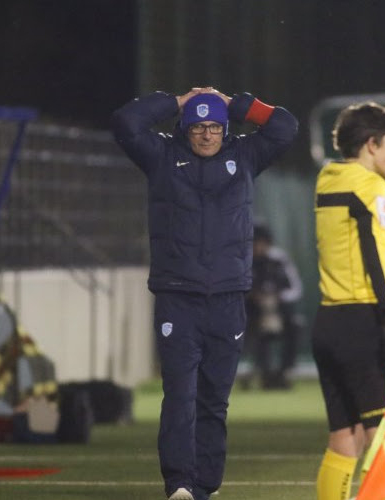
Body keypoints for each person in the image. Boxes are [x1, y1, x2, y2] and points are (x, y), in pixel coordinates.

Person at [112, 87, 297, 500]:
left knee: (215, 399)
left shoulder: (246, 155)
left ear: (225, 128)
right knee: (180, 394)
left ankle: (206, 486)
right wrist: (177, 100)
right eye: (198, 126)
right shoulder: (161, 157)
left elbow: (285, 126)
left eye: (215, 126)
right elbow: (125, 122)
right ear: (185, 128)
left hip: (229, 300)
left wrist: (236, 103)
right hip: (177, 298)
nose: (208, 135)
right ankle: (179, 483)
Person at [311, 102, 385, 500]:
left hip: (329, 323)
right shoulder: (373, 188)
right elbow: (378, 256)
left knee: (344, 440)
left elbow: (366, 211)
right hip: (365, 322)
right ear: (370, 144)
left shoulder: (328, 178)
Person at [244, 223, 303, 389]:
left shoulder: (279, 259)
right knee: (255, 327)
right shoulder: (244, 260)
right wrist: (253, 297)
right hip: (252, 313)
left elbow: (296, 289)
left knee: (295, 325)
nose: (257, 247)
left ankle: (283, 372)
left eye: (261, 243)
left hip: (279, 311)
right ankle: (266, 373)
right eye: (254, 243)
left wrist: (277, 298)